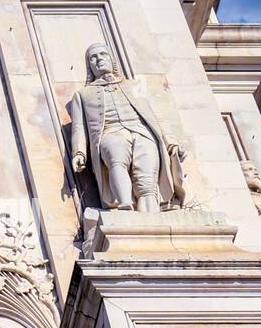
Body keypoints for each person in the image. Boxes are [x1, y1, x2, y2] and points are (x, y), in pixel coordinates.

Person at [69, 43, 186, 212]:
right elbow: (79, 127)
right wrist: (79, 152)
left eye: (103, 54)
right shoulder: (82, 94)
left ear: (112, 60)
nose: (99, 59)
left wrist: (171, 142)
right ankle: (125, 206)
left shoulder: (133, 85)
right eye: (93, 58)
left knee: (146, 178)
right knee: (116, 159)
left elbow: (156, 117)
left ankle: (150, 215)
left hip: (142, 132)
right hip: (110, 132)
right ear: (90, 65)